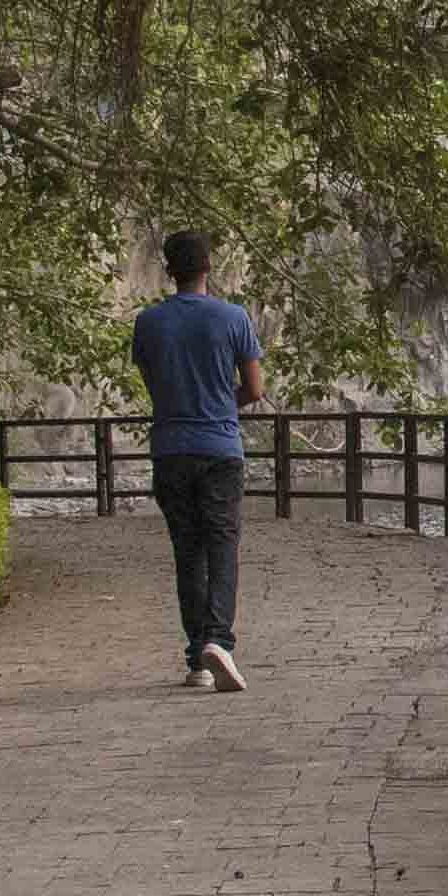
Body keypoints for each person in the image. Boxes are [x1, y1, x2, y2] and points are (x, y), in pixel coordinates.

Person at [129, 231, 265, 691]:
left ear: (170, 271)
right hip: (219, 448)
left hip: (170, 448)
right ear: (209, 265)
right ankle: (219, 640)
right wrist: (221, 403)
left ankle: (198, 662)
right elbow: (255, 388)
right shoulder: (233, 318)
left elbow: (156, 385)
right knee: (222, 545)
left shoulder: (148, 324)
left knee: (188, 552)